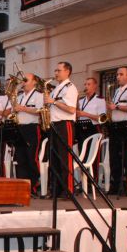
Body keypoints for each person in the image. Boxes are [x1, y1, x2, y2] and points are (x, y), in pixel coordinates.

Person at [44, 61, 78, 197]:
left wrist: (54, 102)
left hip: (65, 124)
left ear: (67, 71)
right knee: (55, 159)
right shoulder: (58, 88)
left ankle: (68, 190)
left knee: (65, 158)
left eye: (59, 70)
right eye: (55, 71)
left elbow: (71, 109)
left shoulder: (70, 88)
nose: (56, 73)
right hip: (54, 124)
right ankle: (56, 190)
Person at [107, 66, 127, 195]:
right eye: (117, 74)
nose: (118, 77)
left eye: (121, 74)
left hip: (125, 126)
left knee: (126, 158)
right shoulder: (118, 90)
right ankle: (116, 185)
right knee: (114, 157)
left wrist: (117, 106)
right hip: (115, 125)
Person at [11, 73, 43, 195]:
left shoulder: (39, 95)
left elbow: (40, 111)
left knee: (31, 158)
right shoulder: (19, 96)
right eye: (23, 80)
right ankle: (22, 187)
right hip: (20, 128)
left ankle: (33, 187)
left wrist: (23, 109)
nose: (23, 82)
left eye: (26, 80)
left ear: (34, 82)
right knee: (20, 159)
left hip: (32, 129)